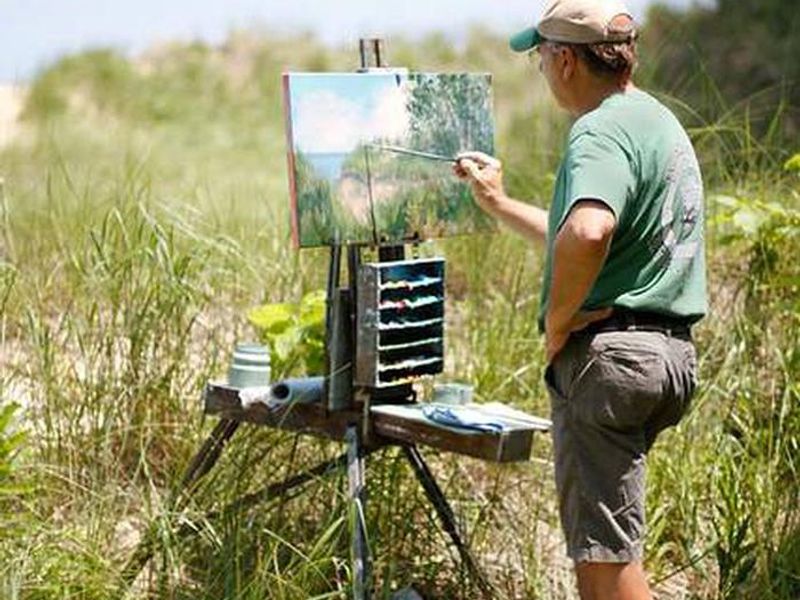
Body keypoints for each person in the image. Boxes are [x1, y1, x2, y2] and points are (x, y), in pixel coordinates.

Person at [454, 0, 707, 598]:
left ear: (565, 59)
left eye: (541, 57)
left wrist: (557, 321)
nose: (541, 69)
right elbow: (586, 235)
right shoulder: (654, 121)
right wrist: (499, 203)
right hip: (666, 354)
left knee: (605, 565)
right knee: (611, 550)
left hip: (611, 359)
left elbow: (589, 232)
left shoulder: (596, 129)